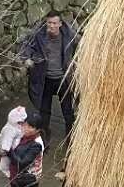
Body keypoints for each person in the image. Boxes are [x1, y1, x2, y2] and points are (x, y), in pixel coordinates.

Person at [19, 10, 79, 148]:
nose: (51, 26)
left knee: (68, 113)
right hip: (45, 79)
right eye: (49, 23)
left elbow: (80, 47)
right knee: (44, 113)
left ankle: (70, 140)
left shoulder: (69, 35)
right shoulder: (39, 36)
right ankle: (44, 141)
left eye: (54, 23)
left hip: (63, 80)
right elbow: (25, 47)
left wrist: (76, 63)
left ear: (60, 24)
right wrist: (27, 59)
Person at [0, 105, 28, 177]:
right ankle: (5, 171)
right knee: (5, 163)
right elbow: (6, 141)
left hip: (15, 149)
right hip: (8, 150)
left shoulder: (17, 127)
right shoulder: (10, 129)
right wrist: (5, 149)